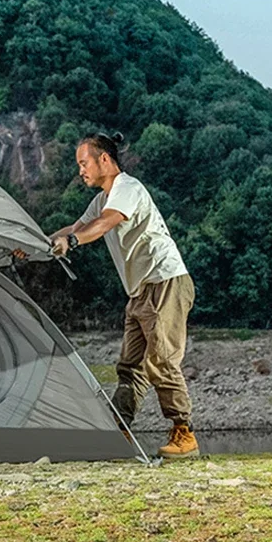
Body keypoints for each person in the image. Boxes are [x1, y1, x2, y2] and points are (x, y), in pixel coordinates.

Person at [47, 132, 199, 459]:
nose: (80, 171)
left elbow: (104, 224)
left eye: (83, 163)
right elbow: (75, 228)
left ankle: (184, 433)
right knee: (129, 367)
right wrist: (36, 243)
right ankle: (120, 431)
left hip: (165, 281)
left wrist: (72, 244)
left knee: (161, 360)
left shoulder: (127, 189)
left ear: (104, 159)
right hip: (140, 290)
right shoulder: (101, 199)